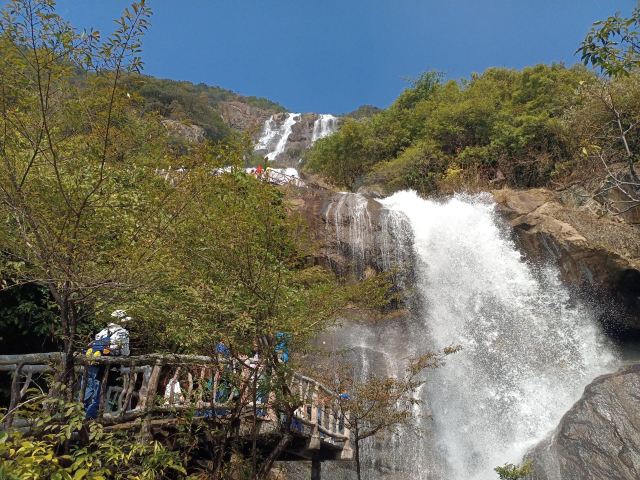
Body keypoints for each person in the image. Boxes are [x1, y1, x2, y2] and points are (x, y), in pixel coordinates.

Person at [83, 310, 132, 419]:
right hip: (105, 367)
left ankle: (80, 414)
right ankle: (90, 418)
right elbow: (125, 352)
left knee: (88, 388)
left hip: (92, 364)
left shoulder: (102, 331)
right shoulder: (123, 332)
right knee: (99, 392)